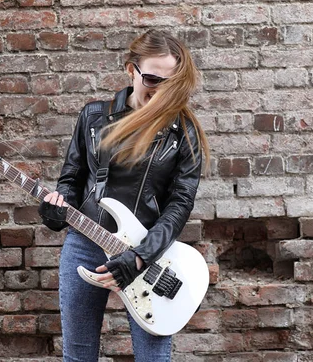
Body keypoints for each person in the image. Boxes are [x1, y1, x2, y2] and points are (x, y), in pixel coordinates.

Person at [38, 30, 209, 362]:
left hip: (149, 253)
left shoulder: (183, 132)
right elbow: (70, 181)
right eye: (152, 79)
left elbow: (180, 203)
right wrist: (55, 209)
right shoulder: (93, 117)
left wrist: (140, 256)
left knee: (152, 358)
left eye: (169, 84)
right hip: (85, 243)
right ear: (131, 69)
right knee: (78, 355)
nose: (159, 91)